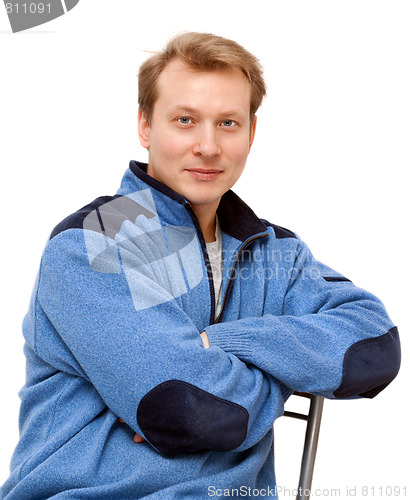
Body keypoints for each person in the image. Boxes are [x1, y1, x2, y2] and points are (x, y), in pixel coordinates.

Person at [0, 32, 400, 499]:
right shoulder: (95, 242)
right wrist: (290, 370)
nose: (207, 146)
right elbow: (192, 411)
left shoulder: (276, 253)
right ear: (146, 126)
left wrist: (227, 343)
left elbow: (374, 348)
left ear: (251, 133)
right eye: (185, 120)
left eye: (228, 123)